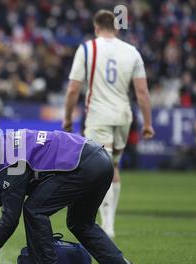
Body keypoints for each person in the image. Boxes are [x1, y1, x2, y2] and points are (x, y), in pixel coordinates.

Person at [0, 129, 138, 264]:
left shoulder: (10, 163)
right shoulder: (6, 148)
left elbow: (10, 218)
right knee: (80, 223)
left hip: (82, 165)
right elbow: (12, 185)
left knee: (34, 210)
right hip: (100, 161)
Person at [62, 9, 155, 238]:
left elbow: (73, 88)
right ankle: (109, 221)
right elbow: (142, 92)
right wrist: (148, 124)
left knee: (96, 168)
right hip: (123, 115)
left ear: (96, 28)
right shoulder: (131, 51)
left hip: (98, 115)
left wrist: (67, 118)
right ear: (115, 27)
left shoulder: (87, 48)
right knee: (113, 166)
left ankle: (105, 224)